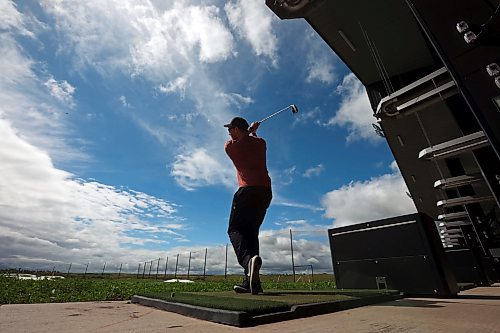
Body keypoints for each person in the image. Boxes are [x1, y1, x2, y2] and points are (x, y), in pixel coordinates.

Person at [224, 116, 272, 295]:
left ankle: (247, 263)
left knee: (234, 230)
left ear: (237, 130)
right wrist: (252, 132)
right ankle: (252, 282)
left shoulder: (230, 147)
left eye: (230, 128)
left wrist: (250, 131)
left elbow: (240, 142)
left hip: (247, 191)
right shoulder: (261, 143)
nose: (228, 132)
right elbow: (252, 140)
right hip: (265, 192)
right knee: (252, 233)